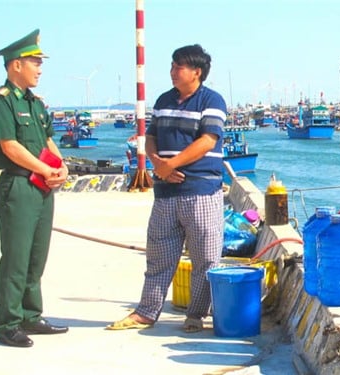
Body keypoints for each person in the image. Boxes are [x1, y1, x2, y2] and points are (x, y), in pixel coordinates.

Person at [107, 44, 227, 333]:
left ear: (196, 72)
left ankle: (196, 315)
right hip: (166, 194)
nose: (173, 71)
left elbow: (208, 140)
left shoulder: (211, 101)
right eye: (172, 66)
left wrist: (170, 166)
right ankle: (146, 311)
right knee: (159, 256)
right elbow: (151, 136)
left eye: (179, 66)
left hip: (201, 191)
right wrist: (155, 161)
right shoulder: (163, 100)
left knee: (206, 258)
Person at [0, 29, 69, 348]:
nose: (40, 68)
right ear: (16, 65)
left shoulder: (35, 103)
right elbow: (9, 146)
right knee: (16, 257)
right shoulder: (0, 101)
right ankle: (8, 322)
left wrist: (61, 167)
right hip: (19, 185)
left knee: (37, 255)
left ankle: (31, 316)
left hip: (42, 187)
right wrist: (47, 169)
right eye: (35, 62)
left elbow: (48, 139)